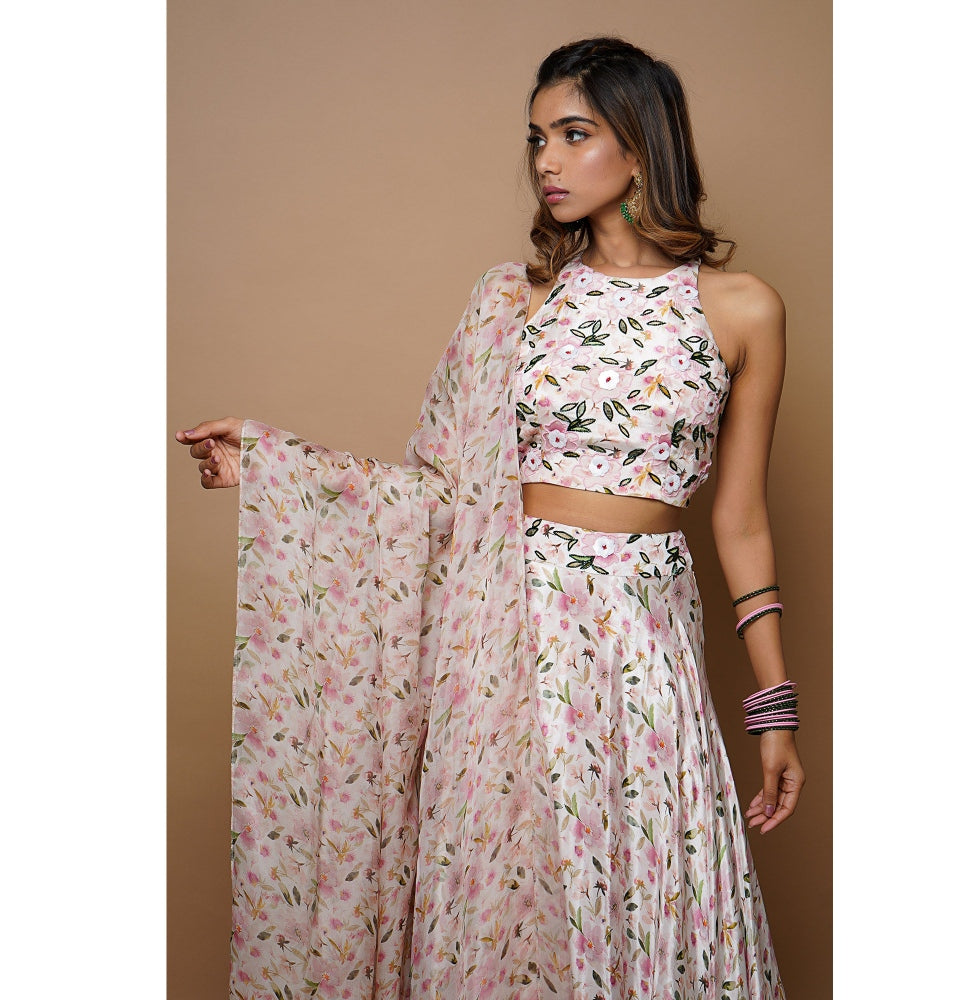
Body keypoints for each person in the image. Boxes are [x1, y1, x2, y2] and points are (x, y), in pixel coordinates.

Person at [176, 36, 805, 1000]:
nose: (546, 160)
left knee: (638, 882)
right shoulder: (514, 303)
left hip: (646, 648)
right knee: (518, 896)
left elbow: (744, 521)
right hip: (512, 635)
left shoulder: (742, 310)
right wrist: (279, 466)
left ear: (641, 146)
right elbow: (442, 492)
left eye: (573, 134)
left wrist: (773, 709)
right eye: (537, 138)